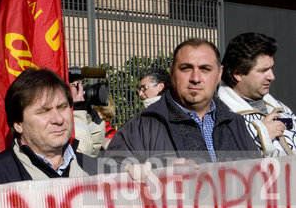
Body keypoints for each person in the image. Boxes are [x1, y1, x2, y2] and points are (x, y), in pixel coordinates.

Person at [107, 38, 259, 166]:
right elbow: (108, 178)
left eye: (205, 69)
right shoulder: (141, 127)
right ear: (172, 72)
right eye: (186, 68)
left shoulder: (235, 124)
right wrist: (158, 173)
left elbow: (258, 181)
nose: (195, 78)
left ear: (219, 74)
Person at [0, 68, 93, 187]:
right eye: (44, 111)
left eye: (62, 107)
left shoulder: (100, 171)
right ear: (18, 124)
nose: (58, 119)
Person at [218, 32, 296, 157]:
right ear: (238, 73)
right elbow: (220, 165)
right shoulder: (220, 115)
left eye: (271, 69)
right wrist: (260, 137)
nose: (272, 77)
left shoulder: (281, 108)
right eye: (263, 70)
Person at [68, 66, 105, 157]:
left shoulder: (94, 119)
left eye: (80, 84)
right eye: (73, 85)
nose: (79, 90)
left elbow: (84, 157)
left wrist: (80, 109)